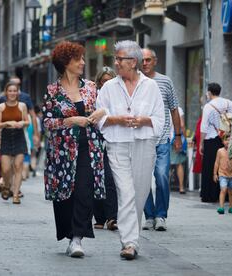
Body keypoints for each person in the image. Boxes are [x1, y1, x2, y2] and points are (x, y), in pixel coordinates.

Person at [96, 40, 165, 260]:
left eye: (120, 59)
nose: (116, 63)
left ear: (133, 62)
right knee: (125, 192)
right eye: (115, 58)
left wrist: (144, 120)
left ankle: (131, 237)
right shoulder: (108, 87)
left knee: (140, 192)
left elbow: (160, 120)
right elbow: (98, 119)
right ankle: (129, 242)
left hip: (144, 144)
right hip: (117, 144)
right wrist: (116, 119)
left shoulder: (151, 86)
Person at [43, 41, 106, 258]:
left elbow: (105, 110)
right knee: (65, 195)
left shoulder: (90, 87)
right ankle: (70, 236)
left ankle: (78, 238)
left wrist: (100, 113)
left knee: (84, 191)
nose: (82, 63)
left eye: (82, 58)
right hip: (62, 154)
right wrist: (71, 121)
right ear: (65, 62)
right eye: (77, 59)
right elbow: (47, 123)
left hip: (89, 149)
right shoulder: (53, 91)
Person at [140, 48, 181, 231]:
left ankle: (161, 215)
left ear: (155, 61)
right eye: (142, 60)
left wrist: (178, 135)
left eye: (148, 60)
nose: (145, 63)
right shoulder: (134, 82)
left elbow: (174, 109)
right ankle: (149, 215)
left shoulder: (165, 81)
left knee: (162, 176)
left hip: (163, 138)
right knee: (143, 180)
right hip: (141, 139)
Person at [0, 76, 37, 197]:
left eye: (14, 91)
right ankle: (7, 186)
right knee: (6, 169)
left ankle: (15, 194)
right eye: (10, 91)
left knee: (18, 166)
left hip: (19, 137)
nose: (12, 93)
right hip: (6, 137)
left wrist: (22, 123)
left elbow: (27, 121)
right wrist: (7, 124)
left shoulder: (23, 105)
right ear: (6, 92)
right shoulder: (1, 106)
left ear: (17, 92)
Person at [199, 83, 232, 202]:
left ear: (209, 92)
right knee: (225, 165)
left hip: (211, 139)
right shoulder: (227, 103)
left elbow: (204, 127)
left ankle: (210, 195)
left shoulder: (208, 106)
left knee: (210, 166)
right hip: (225, 139)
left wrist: (201, 143)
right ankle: (226, 195)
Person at [93, 66, 118, 231]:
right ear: (99, 83)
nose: (106, 84)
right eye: (103, 81)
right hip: (94, 142)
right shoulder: (92, 97)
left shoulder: (118, 98)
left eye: (109, 81)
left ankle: (112, 217)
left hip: (113, 142)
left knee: (110, 179)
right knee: (95, 180)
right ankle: (99, 217)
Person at [214, 134, 232, 215]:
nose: (228, 142)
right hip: (222, 174)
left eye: (230, 140)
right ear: (222, 141)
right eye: (226, 140)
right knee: (223, 190)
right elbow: (216, 163)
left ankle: (231, 207)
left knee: (231, 192)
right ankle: (221, 207)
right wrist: (215, 174)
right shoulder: (220, 151)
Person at [170, 107, 187, 194]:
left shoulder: (162, 107)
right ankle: (181, 187)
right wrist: (184, 139)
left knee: (167, 164)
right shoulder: (179, 109)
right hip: (176, 139)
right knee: (179, 164)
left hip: (166, 139)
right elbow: (182, 125)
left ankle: (166, 186)